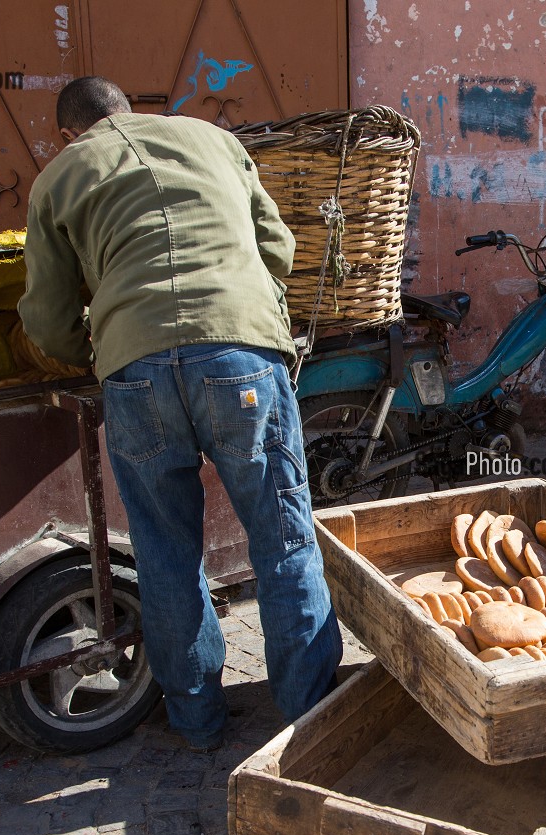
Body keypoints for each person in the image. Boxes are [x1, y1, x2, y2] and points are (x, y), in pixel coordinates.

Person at [18, 77, 340, 751]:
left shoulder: (58, 177)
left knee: (165, 552)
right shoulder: (214, 140)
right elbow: (278, 250)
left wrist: (100, 347)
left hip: (134, 369)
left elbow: (47, 320)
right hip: (241, 355)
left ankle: (196, 721)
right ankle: (310, 719)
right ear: (128, 109)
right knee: (283, 539)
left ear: (70, 133)